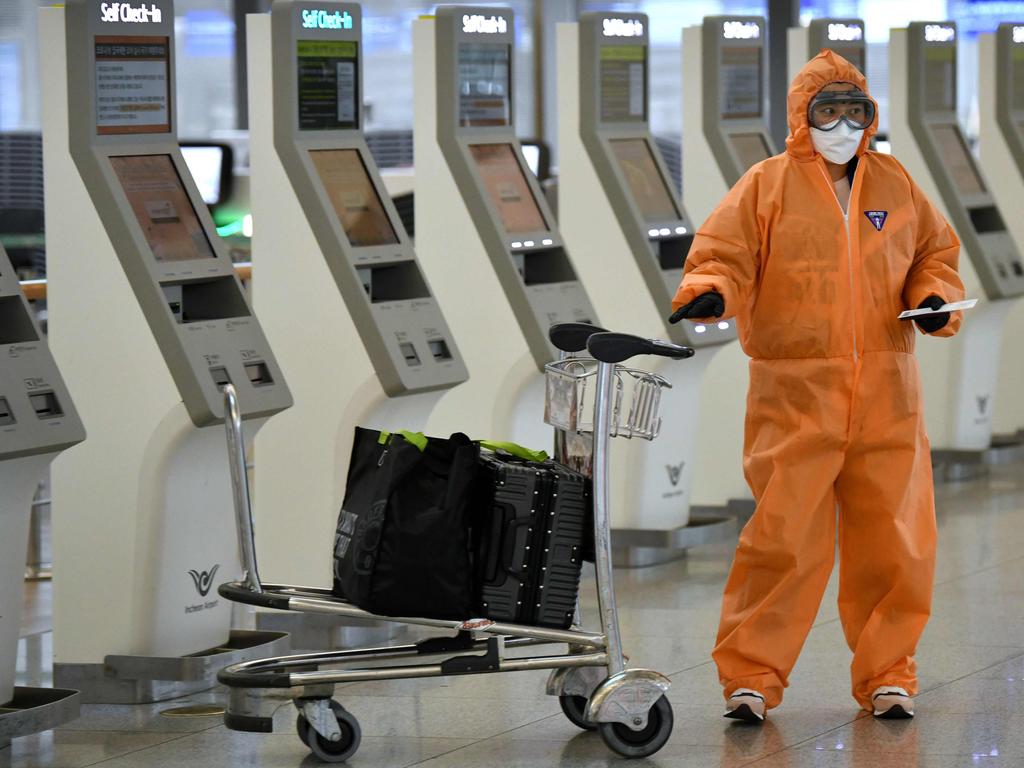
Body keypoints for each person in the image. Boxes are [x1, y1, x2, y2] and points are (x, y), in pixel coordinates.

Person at [669, 50, 964, 723]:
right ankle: (751, 679)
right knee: (781, 541)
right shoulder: (766, 185)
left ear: (870, 117)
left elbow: (934, 256)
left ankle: (889, 675)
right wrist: (709, 292)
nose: (842, 123)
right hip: (794, 393)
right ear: (803, 116)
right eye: (828, 110)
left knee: (895, 541)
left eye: (854, 111)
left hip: (888, 390)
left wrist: (934, 298)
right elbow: (724, 254)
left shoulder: (894, 183)